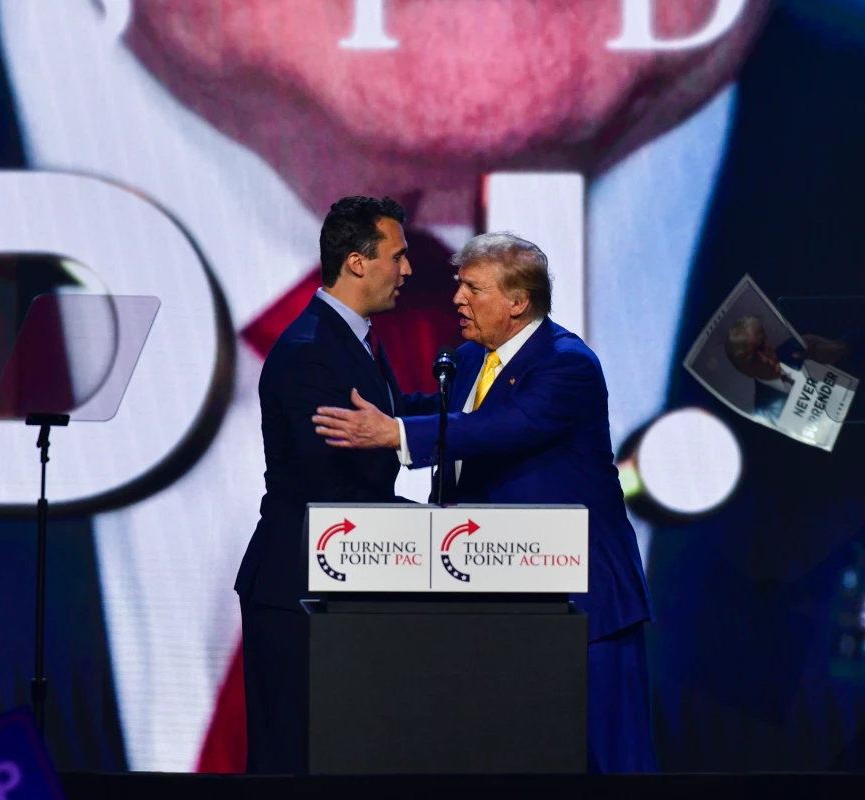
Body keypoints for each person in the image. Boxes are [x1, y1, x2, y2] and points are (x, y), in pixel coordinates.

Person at [311, 232, 656, 773]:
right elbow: (442, 413)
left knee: (610, 761)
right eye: (458, 286)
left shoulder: (567, 365)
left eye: (472, 288)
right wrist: (365, 399)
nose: (457, 299)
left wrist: (396, 434)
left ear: (517, 302)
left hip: (583, 601)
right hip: (501, 601)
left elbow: (503, 428)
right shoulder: (472, 358)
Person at [236, 196, 437, 774]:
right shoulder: (309, 352)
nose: (407, 271)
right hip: (300, 587)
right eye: (397, 257)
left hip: (341, 584)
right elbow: (331, 476)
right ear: (356, 261)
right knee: (295, 764)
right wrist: (434, 529)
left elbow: (386, 425)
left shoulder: (351, 342)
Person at [724, 315, 850, 421]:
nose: (764, 359)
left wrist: (839, 349)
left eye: (762, 345)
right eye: (752, 358)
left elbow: (848, 352)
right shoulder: (764, 412)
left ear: (767, 338)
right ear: (746, 372)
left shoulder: (800, 345)